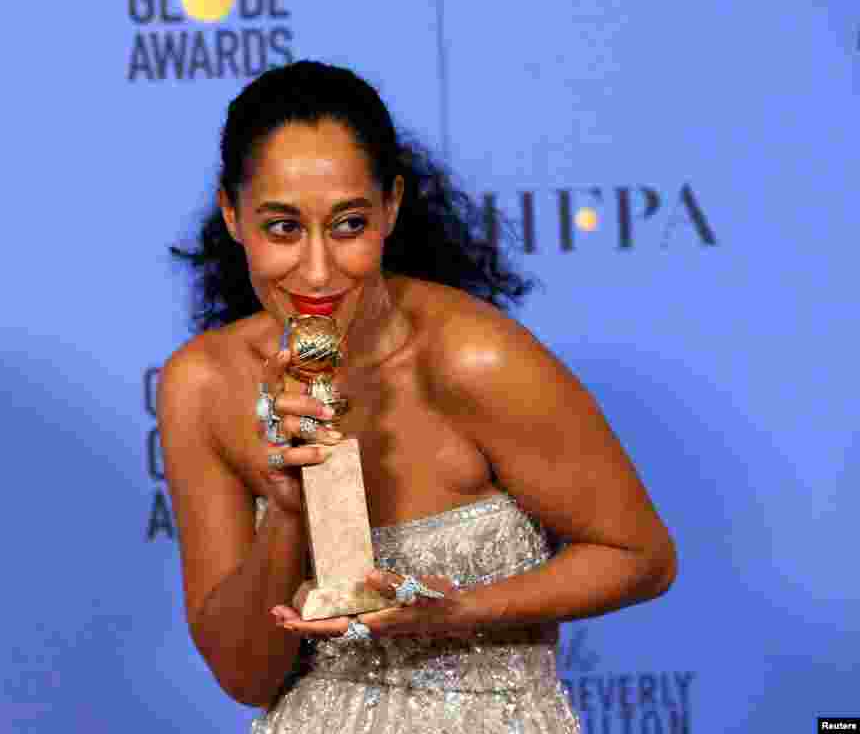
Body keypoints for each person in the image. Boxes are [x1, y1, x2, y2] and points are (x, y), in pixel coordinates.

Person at [159, 60, 677, 734]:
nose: (317, 269)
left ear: (391, 207)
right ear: (232, 215)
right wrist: (287, 507)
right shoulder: (202, 384)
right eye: (283, 227)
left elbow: (641, 556)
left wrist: (455, 610)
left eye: (348, 225)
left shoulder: (475, 360)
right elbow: (242, 674)